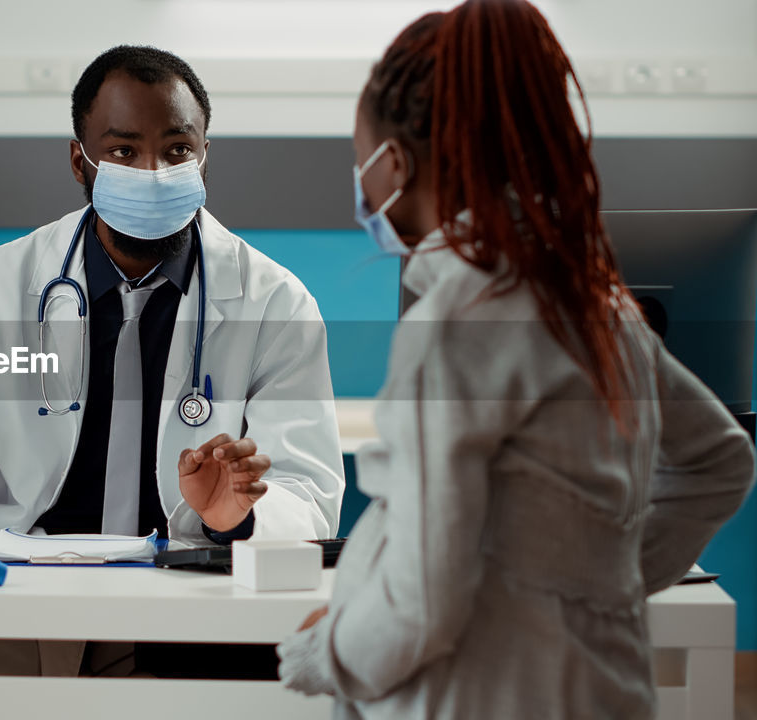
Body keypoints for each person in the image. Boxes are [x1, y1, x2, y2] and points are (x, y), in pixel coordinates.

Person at [275, 2, 756, 717]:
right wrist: (602, 584)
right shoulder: (598, 309)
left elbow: (422, 606)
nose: (362, 188)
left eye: (361, 164)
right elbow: (721, 461)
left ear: (396, 165)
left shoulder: (456, 322)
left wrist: (325, 654)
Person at [0, 45, 345, 675]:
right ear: (81, 160)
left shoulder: (275, 305)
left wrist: (238, 515)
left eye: (177, 149)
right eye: (123, 150)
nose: (153, 170)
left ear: (206, 157)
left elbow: (309, 499)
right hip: (17, 597)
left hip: (189, 601)